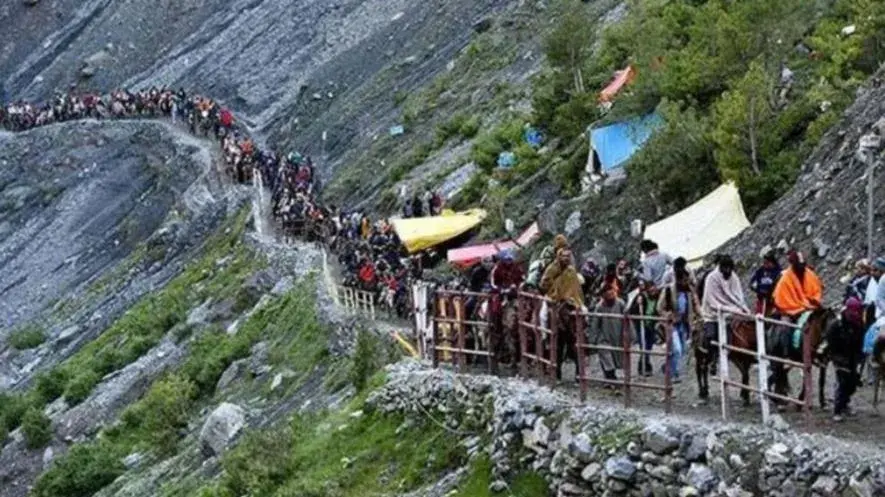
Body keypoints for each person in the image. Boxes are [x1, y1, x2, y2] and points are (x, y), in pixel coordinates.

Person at [541, 248, 585, 380]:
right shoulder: (551, 269)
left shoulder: (571, 271)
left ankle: (579, 372)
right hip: (554, 299)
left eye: (568, 256)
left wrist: (574, 298)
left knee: (585, 312)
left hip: (572, 300)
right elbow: (544, 283)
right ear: (559, 256)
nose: (566, 258)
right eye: (564, 256)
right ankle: (544, 335)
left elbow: (576, 287)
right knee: (542, 316)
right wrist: (555, 291)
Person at [820, 297, 865, 421]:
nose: (856, 314)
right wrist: (837, 358)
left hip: (852, 356)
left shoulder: (859, 324)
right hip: (839, 356)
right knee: (843, 381)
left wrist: (860, 358)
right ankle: (837, 410)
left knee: (852, 383)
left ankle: (845, 403)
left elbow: (860, 342)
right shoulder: (837, 325)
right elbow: (831, 343)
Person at [700, 255, 751, 361]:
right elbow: (711, 300)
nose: (727, 271)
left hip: (730, 312)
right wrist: (727, 309)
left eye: (729, 268)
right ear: (721, 268)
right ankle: (711, 359)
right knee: (711, 335)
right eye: (725, 268)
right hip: (712, 313)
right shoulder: (711, 278)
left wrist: (741, 308)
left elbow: (738, 295)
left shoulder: (734, 277)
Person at [589, 284, 627, 385]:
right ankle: (611, 378)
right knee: (606, 356)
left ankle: (609, 378)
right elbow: (595, 323)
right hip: (604, 337)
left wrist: (628, 336)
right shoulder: (599, 307)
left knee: (615, 358)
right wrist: (592, 339)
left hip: (617, 335)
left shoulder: (620, 304)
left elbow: (627, 320)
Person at [773, 250, 823, 320]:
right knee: (785, 326)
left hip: (811, 308)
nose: (801, 268)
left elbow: (817, 291)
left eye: (803, 265)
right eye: (798, 266)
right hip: (792, 312)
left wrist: (813, 302)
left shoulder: (810, 275)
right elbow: (781, 302)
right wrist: (799, 309)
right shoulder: (784, 281)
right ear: (793, 265)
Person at [749, 251, 781, 315]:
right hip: (761, 299)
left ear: (772, 263)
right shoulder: (761, 271)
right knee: (759, 318)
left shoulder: (778, 272)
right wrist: (758, 289)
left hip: (773, 301)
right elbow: (752, 283)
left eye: (767, 263)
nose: (764, 264)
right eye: (764, 262)